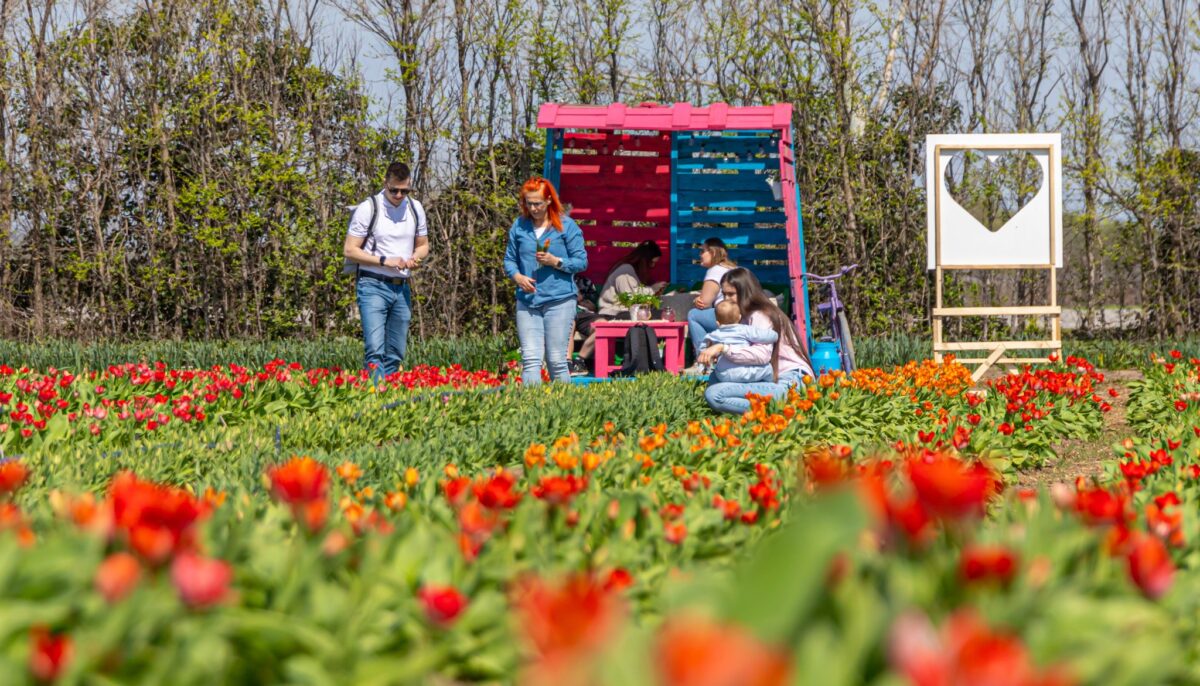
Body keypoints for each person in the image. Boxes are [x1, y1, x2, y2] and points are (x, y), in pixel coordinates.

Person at [343, 161, 429, 384]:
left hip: (401, 287)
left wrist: (414, 259)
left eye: (405, 190)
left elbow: (423, 245)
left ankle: (387, 392)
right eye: (394, 190)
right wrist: (384, 261)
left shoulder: (415, 208)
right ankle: (373, 395)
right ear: (385, 184)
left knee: (396, 351)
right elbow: (350, 250)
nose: (399, 195)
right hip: (372, 285)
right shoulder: (369, 208)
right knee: (375, 348)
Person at [503, 177, 588, 385]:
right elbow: (509, 260)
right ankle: (531, 408)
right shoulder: (520, 226)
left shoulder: (566, 226)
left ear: (549, 201)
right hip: (527, 301)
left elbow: (581, 261)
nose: (533, 208)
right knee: (531, 358)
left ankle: (562, 407)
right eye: (528, 203)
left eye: (537, 203)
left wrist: (556, 262)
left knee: (556, 359)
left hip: (559, 300)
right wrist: (517, 276)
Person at [697, 267, 814, 414]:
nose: (726, 299)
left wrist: (724, 348)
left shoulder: (760, 315)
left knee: (715, 394)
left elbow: (761, 356)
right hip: (768, 377)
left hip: (790, 379)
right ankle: (770, 409)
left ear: (746, 292)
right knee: (715, 381)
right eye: (724, 294)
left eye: (731, 294)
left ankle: (780, 404)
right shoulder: (741, 316)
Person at [574, 240, 667, 370]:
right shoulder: (625, 271)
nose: (652, 266)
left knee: (659, 315)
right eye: (651, 262)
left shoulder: (631, 273)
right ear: (643, 260)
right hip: (612, 315)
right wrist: (652, 289)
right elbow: (630, 298)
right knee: (660, 315)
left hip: (621, 314)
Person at [683, 237, 738, 372]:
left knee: (694, 315)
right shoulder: (733, 268)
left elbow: (704, 303)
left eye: (702, 251)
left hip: (728, 315)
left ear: (712, 253)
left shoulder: (715, 270)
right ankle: (715, 358)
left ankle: (702, 361)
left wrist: (696, 300)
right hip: (742, 315)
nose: (700, 255)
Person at [700, 301, 778, 383]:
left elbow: (703, 347)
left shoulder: (714, 335)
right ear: (739, 317)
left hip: (724, 374)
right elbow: (763, 336)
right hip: (744, 370)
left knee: (715, 372)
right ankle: (770, 385)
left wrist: (703, 358)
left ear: (717, 323)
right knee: (768, 369)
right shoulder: (745, 329)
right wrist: (775, 335)